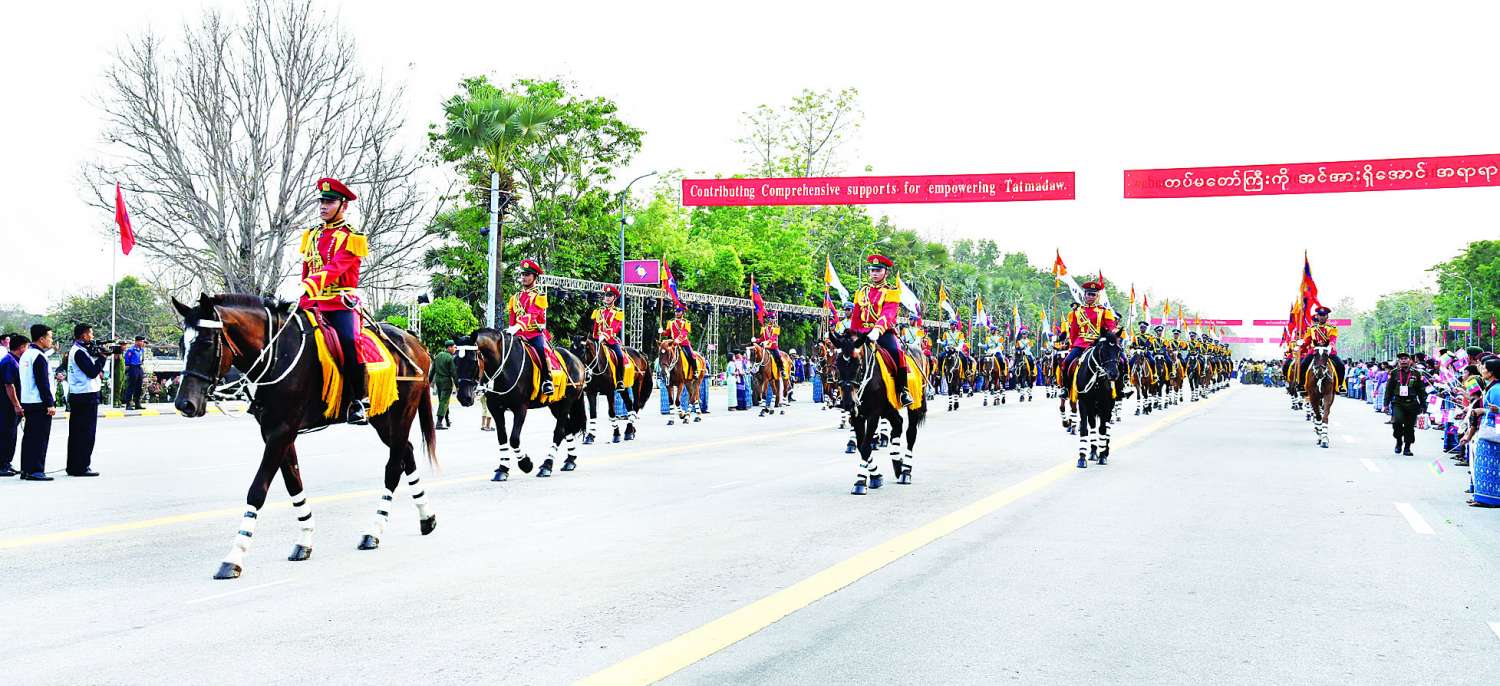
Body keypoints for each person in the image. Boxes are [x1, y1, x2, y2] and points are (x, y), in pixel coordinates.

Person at [299, 177, 370, 424]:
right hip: (312, 301)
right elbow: (307, 268)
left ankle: (359, 400)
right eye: (322, 201)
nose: (323, 206)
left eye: (329, 202)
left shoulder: (352, 237)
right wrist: (303, 294)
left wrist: (309, 285)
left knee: (350, 341)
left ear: (343, 205)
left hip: (340, 302)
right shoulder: (312, 235)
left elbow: (335, 268)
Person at [851, 254, 912, 407]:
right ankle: (845, 391)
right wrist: (851, 334)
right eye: (872, 270)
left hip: (883, 332)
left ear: (886, 272)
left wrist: (877, 329)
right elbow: (856, 316)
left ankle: (903, 390)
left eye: (878, 270)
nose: (875, 273)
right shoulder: (862, 291)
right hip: (862, 332)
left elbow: (888, 313)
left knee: (896, 352)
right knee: (845, 355)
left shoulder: (891, 291)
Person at [66, 323, 114, 477]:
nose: (92, 336)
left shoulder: (79, 350)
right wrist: (103, 357)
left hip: (80, 394)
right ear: (84, 335)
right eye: (90, 333)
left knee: (77, 433)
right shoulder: (79, 352)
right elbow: (92, 372)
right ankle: (81, 466)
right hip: (85, 395)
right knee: (86, 433)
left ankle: (74, 466)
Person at [1062, 279, 1122, 395]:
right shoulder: (1077, 311)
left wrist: (1114, 334)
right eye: (1089, 294)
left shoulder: (1104, 311)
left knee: (1121, 361)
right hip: (1080, 344)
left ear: (1097, 296)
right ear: (1084, 295)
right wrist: (1072, 346)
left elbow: (1111, 326)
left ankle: (1120, 389)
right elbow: (1074, 331)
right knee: (1067, 361)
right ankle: (1066, 388)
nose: (1090, 297)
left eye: (1093, 294)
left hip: (1098, 343)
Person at [507, 259, 555, 396]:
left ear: (535, 277)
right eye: (523, 274)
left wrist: (517, 326)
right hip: (518, 334)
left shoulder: (540, 296)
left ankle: (547, 380)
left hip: (534, 334)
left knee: (540, 350)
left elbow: (532, 315)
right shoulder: (515, 298)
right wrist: (511, 329)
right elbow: (512, 317)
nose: (524, 277)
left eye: (527, 274)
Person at [18, 324, 57, 481]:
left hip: (27, 400)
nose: (51, 340)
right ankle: (36, 470)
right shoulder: (39, 356)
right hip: (39, 402)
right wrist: (50, 404)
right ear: (41, 339)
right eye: (50, 337)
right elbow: (43, 383)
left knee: (29, 437)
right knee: (40, 438)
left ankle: (26, 469)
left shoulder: (26, 354)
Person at [1383, 352, 1427, 456]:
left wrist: (1423, 405)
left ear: (1410, 361)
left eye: (1405, 358)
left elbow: (1421, 390)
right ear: (1399, 361)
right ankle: (1399, 441)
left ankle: (1407, 447)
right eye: (1401, 359)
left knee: (1409, 426)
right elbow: (1389, 390)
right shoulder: (1394, 373)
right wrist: (1386, 404)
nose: (1403, 360)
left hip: (1412, 403)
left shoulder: (1417, 373)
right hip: (1398, 402)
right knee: (1397, 422)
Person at [590, 285, 627, 391]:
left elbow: (616, 327)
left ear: (614, 298)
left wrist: (604, 336)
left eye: (610, 295)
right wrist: (595, 337)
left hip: (611, 340)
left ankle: (619, 380)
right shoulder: (598, 311)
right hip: (598, 340)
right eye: (606, 295)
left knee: (620, 356)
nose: (607, 297)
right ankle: (587, 376)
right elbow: (595, 327)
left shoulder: (618, 312)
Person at [0, 333, 27, 477]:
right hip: (6, 405)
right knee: (6, 435)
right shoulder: (9, 362)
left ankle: (7, 463)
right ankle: (2, 465)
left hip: (10, 405)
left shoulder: (15, 360)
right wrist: (16, 405)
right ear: (21, 347)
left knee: (11, 435)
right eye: (26, 347)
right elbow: (9, 385)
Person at [664, 306, 700, 378]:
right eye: (676, 312)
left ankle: (695, 371)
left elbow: (684, 333)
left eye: (679, 312)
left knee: (691, 355)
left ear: (682, 313)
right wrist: (662, 332)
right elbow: (668, 333)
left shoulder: (686, 322)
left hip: (684, 343)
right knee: (664, 353)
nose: (677, 313)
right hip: (673, 343)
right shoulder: (670, 322)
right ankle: (663, 370)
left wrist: (678, 340)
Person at [432, 340, 456, 429]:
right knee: (444, 402)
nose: (455, 349)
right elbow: (454, 373)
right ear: (449, 347)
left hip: (438, 381)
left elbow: (432, 370)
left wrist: (429, 381)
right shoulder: (450, 358)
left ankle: (447, 420)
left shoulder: (438, 355)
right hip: (446, 381)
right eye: (454, 347)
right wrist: (457, 385)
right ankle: (439, 422)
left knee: (443, 401)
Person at [123, 335, 147, 410]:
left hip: (139, 367)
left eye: (143, 342)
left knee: (139, 386)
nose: (143, 343)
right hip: (133, 367)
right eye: (141, 341)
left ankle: (137, 403)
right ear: (137, 342)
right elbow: (127, 359)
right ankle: (128, 404)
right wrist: (128, 368)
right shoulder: (131, 350)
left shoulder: (141, 350)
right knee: (131, 386)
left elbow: (142, 359)